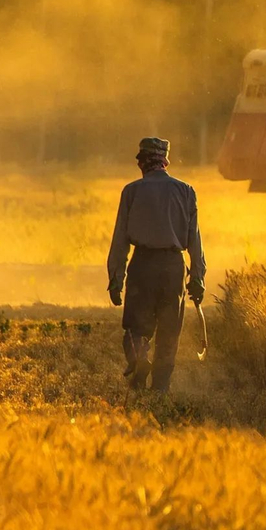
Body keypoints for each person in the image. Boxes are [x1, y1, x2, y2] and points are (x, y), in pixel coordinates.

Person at [107, 137, 206, 393]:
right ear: (165, 160)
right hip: (173, 267)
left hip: (143, 266)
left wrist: (116, 277)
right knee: (169, 331)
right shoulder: (186, 190)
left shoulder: (132, 191)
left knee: (135, 327)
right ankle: (160, 389)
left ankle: (139, 360)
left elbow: (120, 239)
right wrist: (197, 277)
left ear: (142, 161)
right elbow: (194, 239)